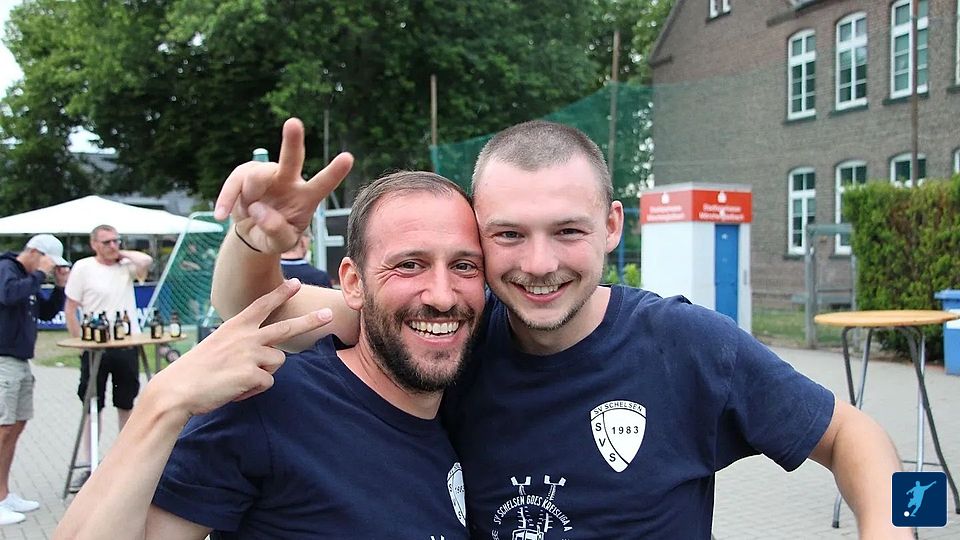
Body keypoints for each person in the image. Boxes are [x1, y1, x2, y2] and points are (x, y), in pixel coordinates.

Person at [209, 118, 909, 538]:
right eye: (508, 234)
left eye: (567, 231)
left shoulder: (688, 346)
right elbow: (256, 313)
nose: (539, 264)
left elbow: (860, 437)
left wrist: (891, 526)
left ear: (610, 228)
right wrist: (255, 239)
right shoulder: (449, 336)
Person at [54, 170, 482, 539]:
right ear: (352, 283)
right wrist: (163, 403)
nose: (442, 296)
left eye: (465, 266)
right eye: (409, 265)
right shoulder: (270, 402)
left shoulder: (471, 399)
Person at [63, 224, 153, 491]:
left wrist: (121, 253)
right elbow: (70, 308)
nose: (112, 246)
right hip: (95, 346)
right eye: (106, 242)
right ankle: (90, 465)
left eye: (116, 241)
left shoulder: (125, 266)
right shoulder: (83, 267)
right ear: (94, 245)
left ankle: (125, 461)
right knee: (93, 404)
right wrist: (80, 342)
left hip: (125, 345)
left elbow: (146, 261)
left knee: (126, 402)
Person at [0, 234, 69, 525]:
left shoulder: (28, 279)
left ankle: (4, 494)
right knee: (3, 429)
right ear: (36, 253)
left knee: (16, 427)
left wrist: (60, 288)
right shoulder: (7, 269)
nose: (51, 270)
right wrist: (41, 273)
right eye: (50, 264)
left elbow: (48, 311)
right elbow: (7, 295)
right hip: (3, 361)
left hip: (20, 361)